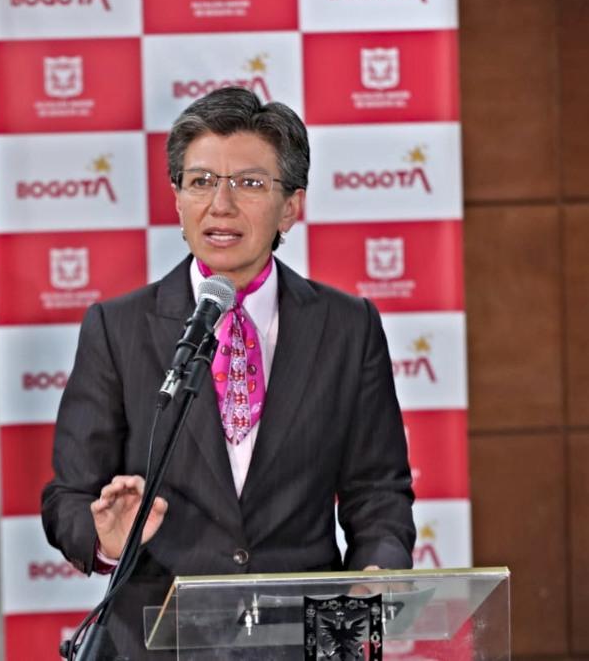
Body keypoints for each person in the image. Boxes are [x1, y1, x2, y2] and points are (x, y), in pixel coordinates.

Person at [41, 86, 415, 658]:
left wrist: (373, 579)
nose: (221, 205)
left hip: (302, 639)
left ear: (291, 205)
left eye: (248, 183)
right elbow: (67, 496)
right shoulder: (118, 328)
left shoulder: (347, 326)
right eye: (200, 182)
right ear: (177, 199)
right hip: (158, 641)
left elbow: (378, 492)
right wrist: (106, 541)